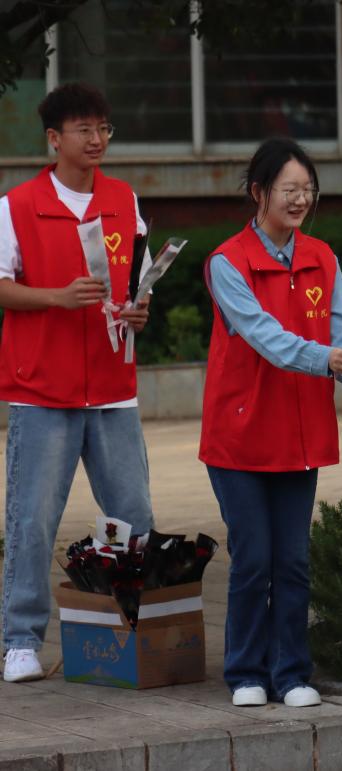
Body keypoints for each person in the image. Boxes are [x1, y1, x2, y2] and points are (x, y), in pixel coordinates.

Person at [199, 137, 342, 708]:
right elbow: (266, 338)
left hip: (301, 435)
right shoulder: (227, 263)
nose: (300, 200)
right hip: (240, 437)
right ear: (259, 193)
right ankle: (246, 672)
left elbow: (340, 327)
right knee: (254, 559)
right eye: (288, 190)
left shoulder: (323, 256)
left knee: (293, 562)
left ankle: (293, 674)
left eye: (308, 189)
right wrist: (328, 360)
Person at [0, 82, 155, 683]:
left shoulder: (123, 199)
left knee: (134, 517)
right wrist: (56, 298)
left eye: (103, 128)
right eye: (84, 129)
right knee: (33, 520)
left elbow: (140, 280)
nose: (96, 140)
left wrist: (139, 309)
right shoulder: (17, 205)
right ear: (53, 138)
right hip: (43, 388)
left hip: (114, 387)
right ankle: (20, 640)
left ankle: (140, 627)